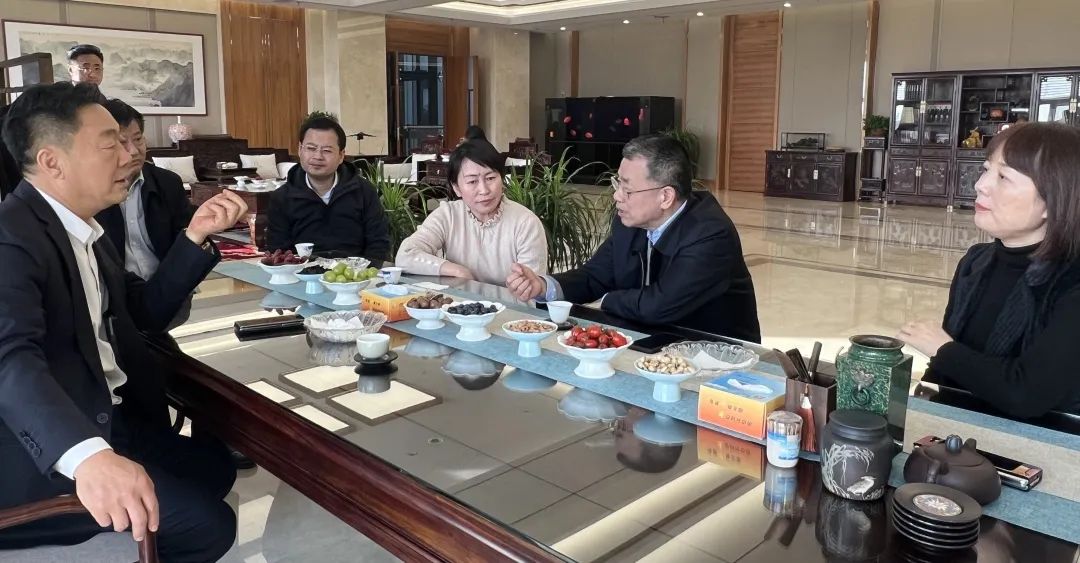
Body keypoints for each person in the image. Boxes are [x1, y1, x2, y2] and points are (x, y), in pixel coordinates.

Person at [0, 82, 247, 561]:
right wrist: (87, 456)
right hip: (38, 458)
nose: (130, 154)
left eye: (129, 141)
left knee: (215, 468)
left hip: (108, 416)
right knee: (209, 527)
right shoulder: (12, 239)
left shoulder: (84, 230)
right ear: (52, 162)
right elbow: (11, 362)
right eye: (109, 143)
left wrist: (195, 236)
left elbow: (144, 315)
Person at [899, 122, 1080, 419]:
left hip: (1033, 443)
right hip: (955, 433)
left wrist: (942, 349)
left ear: (1054, 200)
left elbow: (1026, 394)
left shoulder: (1071, 282)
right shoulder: (976, 261)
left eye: (1004, 177)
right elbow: (947, 370)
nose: (981, 185)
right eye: (986, 170)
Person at [506, 134, 760, 342]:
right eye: (617, 183)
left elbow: (659, 305)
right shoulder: (630, 222)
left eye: (627, 189)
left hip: (716, 357)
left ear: (665, 197)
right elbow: (595, 276)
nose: (616, 196)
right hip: (651, 342)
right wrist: (544, 286)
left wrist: (608, 300)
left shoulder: (710, 234)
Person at [395, 140, 548, 285]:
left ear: (502, 179)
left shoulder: (526, 223)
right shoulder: (448, 215)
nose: (484, 190)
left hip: (511, 304)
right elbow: (406, 254)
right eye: (472, 181)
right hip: (459, 303)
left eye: (490, 178)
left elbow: (533, 289)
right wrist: (457, 271)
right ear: (456, 188)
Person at [95, 99, 195, 283]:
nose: (134, 151)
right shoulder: (93, 188)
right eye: (122, 142)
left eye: (138, 139)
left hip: (167, 285)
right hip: (115, 291)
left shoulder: (168, 183)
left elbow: (186, 242)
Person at [267, 115, 390, 263]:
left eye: (326, 150)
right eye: (311, 148)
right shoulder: (282, 198)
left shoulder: (364, 191)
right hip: (302, 272)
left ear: (341, 155)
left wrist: (365, 271)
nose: (318, 156)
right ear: (300, 150)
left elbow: (378, 244)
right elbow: (279, 251)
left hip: (355, 273)